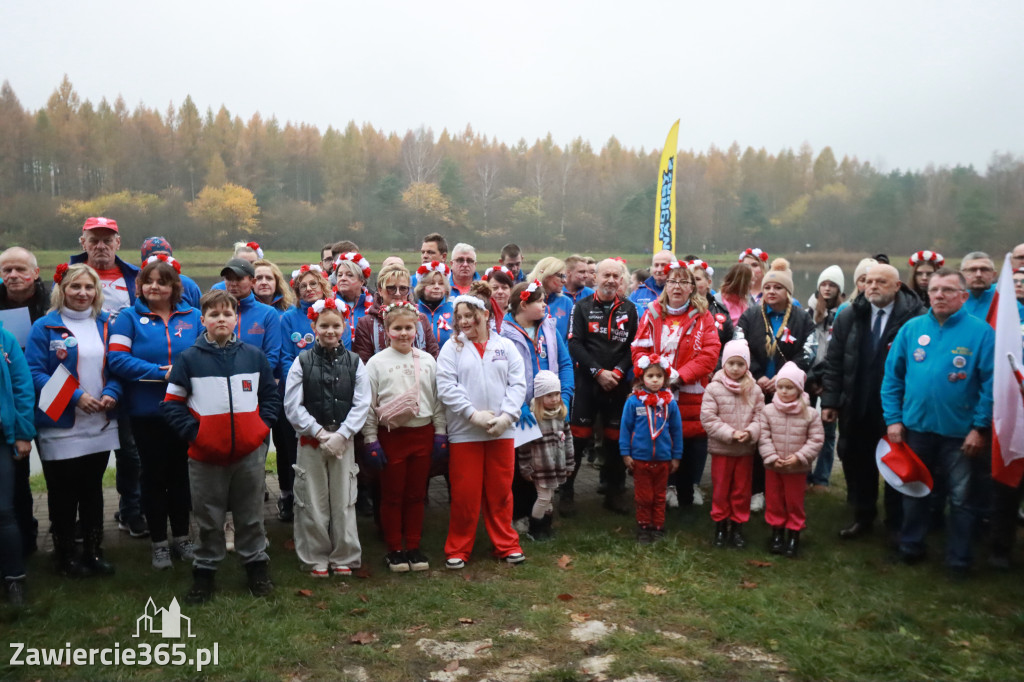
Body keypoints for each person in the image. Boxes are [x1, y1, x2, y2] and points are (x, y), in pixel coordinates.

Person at [162, 290, 280, 603]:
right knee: (209, 517)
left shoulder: (254, 356)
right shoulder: (188, 359)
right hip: (205, 455)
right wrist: (196, 433)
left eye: (227, 314)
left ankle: (256, 566)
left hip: (248, 453)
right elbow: (172, 404)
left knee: (250, 514)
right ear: (203, 320)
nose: (221, 319)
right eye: (214, 315)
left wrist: (260, 429)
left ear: (236, 319)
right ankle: (205, 572)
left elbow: (270, 397)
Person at [881, 268, 994, 578]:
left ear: (963, 296)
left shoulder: (981, 334)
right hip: (916, 429)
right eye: (934, 290)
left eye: (947, 290)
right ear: (927, 294)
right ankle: (911, 547)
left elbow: (991, 384)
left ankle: (959, 560)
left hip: (961, 434)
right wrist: (893, 419)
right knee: (915, 492)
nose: (940, 295)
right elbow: (892, 378)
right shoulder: (912, 329)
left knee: (961, 498)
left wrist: (980, 427)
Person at [26, 263, 120, 577]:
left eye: (89, 287)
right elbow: (36, 373)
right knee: (62, 493)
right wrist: (76, 396)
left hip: (99, 422)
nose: (82, 293)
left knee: (92, 489)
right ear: (62, 290)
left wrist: (111, 392)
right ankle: (65, 556)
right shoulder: (45, 326)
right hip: (60, 422)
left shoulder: (108, 323)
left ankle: (94, 552)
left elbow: (117, 367)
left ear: (97, 292)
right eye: (75, 287)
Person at [108, 256, 201, 569]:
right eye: (148, 281)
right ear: (140, 286)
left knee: (180, 476)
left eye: (162, 282)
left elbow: (206, 355)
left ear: (175, 286)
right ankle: (159, 543)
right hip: (146, 413)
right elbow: (117, 360)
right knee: (152, 476)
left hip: (185, 411)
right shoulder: (128, 319)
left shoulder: (194, 316)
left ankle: (183, 539)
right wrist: (161, 373)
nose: (154, 287)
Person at [822, 263, 925, 541]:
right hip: (857, 403)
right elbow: (834, 361)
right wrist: (830, 402)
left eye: (881, 282)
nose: (873, 286)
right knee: (858, 462)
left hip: (896, 409)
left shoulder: (915, 319)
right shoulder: (850, 316)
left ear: (897, 286)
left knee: (897, 465)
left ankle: (896, 523)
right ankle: (863, 516)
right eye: (868, 281)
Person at [436, 281, 527, 569]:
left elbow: (518, 384)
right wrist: (472, 415)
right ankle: (458, 548)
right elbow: (446, 386)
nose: (464, 322)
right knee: (465, 493)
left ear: (485, 314)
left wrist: (506, 417)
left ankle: (506, 544)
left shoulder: (506, 346)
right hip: (466, 433)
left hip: (502, 431)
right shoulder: (452, 348)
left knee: (500, 491)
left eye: (469, 316)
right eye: (459, 317)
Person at [70, 216, 145, 538]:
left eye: (107, 240)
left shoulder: (135, 277)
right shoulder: (70, 277)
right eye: (94, 240)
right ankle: (77, 518)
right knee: (79, 453)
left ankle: (131, 509)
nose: (100, 246)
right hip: (83, 378)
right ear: (83, 243)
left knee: (130, 450)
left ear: (118, 242)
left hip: (125, 374)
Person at [283, 297, 370, 578]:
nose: (330, 331)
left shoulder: (355, 362)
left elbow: (361, 403)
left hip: (343, 443)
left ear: (345, 326)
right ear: (314, 326)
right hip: (312, 441)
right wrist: (319, 433)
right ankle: (315, 556)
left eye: (336, 325)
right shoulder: (302, 361)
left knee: (344, 499)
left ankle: (344, 554)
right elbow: (292, 405)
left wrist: (343, 434)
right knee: (311, 500)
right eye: (324, 326)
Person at [362, 302, 446, 572]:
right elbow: (369, 404)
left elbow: (437, 401)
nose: (403, 333)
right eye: (397, 328)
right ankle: (394, 548)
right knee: (392, 494)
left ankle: (413, 544)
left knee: (416, 493)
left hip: (423, 434)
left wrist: (440, 432)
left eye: (408, 328)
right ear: (387, 331)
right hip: (392, 436)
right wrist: (370, 438)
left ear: (416, 329)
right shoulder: (376, 363)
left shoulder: (428, 360)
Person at [631, 261, 721, 509]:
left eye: (684, 281)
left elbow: (710, 353)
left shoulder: (703, 316)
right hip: (657, 391)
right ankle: (661, 492)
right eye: (672, 281)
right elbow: (639, 349)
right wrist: (651, 374)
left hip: (691, 391)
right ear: (665, 285)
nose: (677, 286)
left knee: (692, 441)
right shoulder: (652, 313)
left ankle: (688, 491)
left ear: (692, 287)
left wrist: (679, 376)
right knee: (661, 440)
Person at [737, 259, 815, 513]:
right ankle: (757, 491)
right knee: (758, 441)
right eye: (768, 287)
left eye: (777, 288)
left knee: (786, 442)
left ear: (788, 292)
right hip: (756, 390)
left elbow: (809, 351)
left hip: (788, 394)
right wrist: (757, 374)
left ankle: (786, 492)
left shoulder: (802, 318)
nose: (771, 291)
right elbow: (740, 348)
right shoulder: (751, 316)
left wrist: (785, 379)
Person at [566, 259, 639, 515]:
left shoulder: (630, 309)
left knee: (615, 441)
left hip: (617, 384)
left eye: (615, 276)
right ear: (595, 277)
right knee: (577, 440)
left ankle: (614, 492)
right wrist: (598, 372)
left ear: (621, 280)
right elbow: (574, 344)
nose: (610, 280)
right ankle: (566, 492)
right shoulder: (581, 306)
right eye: (605, 275)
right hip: (587, 382)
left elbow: (634, 346)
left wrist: (618, 372)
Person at [501, 280, 575, 529]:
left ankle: (542, 517)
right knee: (523, 463)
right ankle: (520, 515)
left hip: (551, 409)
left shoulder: (549, 329)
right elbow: (502, 376)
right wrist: (520, 406)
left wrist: (564, 398)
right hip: (521, 410)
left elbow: (564, 364)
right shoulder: (503, 334)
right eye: (540, 301)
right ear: (524, 303)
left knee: (547, 459)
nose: (545, 305)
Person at [277, 264, 335, 522]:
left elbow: (340, 347)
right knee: (293, 448)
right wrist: (303, 380)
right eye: (303, 286)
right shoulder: (288, 318)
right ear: (296, 291)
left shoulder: (335, 311)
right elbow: (286, 357)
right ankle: (293, 498)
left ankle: (329, 501)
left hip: (329, 390)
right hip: (298, 391)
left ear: (323, 286)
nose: (309, 289)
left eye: (314, 284)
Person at [0, 246, 47, 556]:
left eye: (20, 269)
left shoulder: (53, 300)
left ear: (35, 272)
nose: (13, 275)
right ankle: (23, 537)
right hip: (11, 398)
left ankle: (64, 528)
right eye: (7, 270)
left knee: (56, 467)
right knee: (16, 473)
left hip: (51, 393)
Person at [701, 339, 764, 549]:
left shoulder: (754, 390)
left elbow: (761, 417)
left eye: (740, 364)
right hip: (723, 449)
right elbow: (709, 419)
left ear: (747, 365)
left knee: (741, 490)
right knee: (721, 489)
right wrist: (730, 433)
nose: (735, 368)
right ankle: (720, 526)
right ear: (724, 364)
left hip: (745, 450)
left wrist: (750, 432)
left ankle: (737, 526)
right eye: (731, 363)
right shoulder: (713, 389)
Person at [759, 362, 824, 558]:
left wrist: (800, 457)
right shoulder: (768, 411)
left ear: (799, 388)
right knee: (774, 500)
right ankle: (777, 533)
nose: (785, 391)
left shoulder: (810, 413)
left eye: (790, 387)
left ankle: (794, 534)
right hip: (774, 466)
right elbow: (763, 436)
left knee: (794, 501)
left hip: (796, 468)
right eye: (781, 387)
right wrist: (771, 457)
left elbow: (816, 439)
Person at [620, 356, 683, 543]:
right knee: (643, 496)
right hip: (640, 458)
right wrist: (625, 453)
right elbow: (625, 428)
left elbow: (677, 430)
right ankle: (644, 526)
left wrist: (676, 456)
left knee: (660, 495)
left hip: (663, 458)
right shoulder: (633, 402)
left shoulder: (670, 403)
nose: (655, 380)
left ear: (665, 378)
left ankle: (658, 525)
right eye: (650, 376)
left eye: (659, 376)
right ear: (641, 378)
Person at [0, 313, 36, 604]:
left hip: (2, 437)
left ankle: (14, 579)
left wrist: (23, 433)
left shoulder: (5, 339)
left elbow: (23, 388)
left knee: (3, 511)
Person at [518, 370, 574, 541]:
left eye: (557, 394)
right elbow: (524, 447)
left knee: (549, 498)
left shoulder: (560, 415)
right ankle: (534, 528)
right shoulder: (534, 418)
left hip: (556, 466)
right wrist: (526, 468)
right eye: (550, 395)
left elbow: (568, 441)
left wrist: (570, 463)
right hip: (540, 467)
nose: (555, 398)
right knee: (543, 498)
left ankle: (546, 527)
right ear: (540, 396)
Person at [805, 265, 844, 491]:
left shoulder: (844, 313)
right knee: (804, 427)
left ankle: (822, 478)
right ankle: (804, 474)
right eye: (824, 284)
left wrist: (827, 381)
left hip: (831, 379)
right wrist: (812, 379)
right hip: (809, 377)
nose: (827, 289)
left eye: (832, 285)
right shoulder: (808, 312)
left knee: (828, 431)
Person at [353, 264, 440, 363]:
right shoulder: (367, 323)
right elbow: (364, 364)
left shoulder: (421, 319)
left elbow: (434, 357)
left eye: (403, 289)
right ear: (380, 290)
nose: (398, 293)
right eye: (391, 288)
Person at [220, 258, 282, 379]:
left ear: (252, 282)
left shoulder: (268, 313)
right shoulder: (217, 311)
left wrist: (248, 380)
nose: (233, 283)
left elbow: (272, 356)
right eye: (228, 278)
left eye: (238, 278)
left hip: (256, 383)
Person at [139, 237, 202, 308]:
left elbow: (201, 313)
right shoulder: (135, 283)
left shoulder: (188, 285)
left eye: (165, 255)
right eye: (154, 255)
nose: (160, 259)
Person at [688, 259, 734, 356]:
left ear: (708, 282)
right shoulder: (677, 310)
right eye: (689, 279)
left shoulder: (722, 311)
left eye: (697, 279)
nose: (693, 283)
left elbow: (729, 347)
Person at [526, 257, 573, 340]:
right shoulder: (526, 300)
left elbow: (571, 337)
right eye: (561, 276)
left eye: (565, 276)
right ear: (547, 276)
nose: (564, 281)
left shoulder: (566, 302)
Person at [415, 261, 455, 348]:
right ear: (422, 287)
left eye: (441, 284)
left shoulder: (454, 310)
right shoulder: (413, 311)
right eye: (431, 283)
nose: (436, 287)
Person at [333, 252, 375, 329]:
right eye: (339, 275)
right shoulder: (329, 304)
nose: (343, 278)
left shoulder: (374, 305)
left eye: (349, 275)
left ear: (362, 281)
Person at [960, 251, 997, 320]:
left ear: (994, 275)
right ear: (961, 275)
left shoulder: (1005, 298)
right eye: (972, 270)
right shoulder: (951, 300)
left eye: (984, 270)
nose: (978, 275)